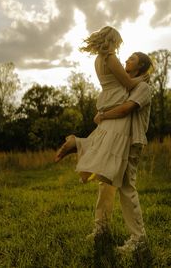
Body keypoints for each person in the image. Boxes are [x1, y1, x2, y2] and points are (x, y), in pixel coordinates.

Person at [55, 50, 153, 253]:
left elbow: (126, 109)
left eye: (133, 58)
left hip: (132, 142)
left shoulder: (143, 87)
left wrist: (103, 115)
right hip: (116, 140)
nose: (127, 59)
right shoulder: (125, 86)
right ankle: (102, 228)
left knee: (126, 187)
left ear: (141, 66)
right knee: (105, 184)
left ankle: (139, 239)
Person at [55, 26, 146, 187]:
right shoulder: (110, 57)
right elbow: (128, 83)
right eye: (117, 43)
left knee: (101, 141)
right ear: (112, 40)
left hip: (106, 99)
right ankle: (77, 144)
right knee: (111, 145)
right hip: (116, 99)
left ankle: (78, 148)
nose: (117, 47)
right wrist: (144, 77)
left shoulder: (98, 59)